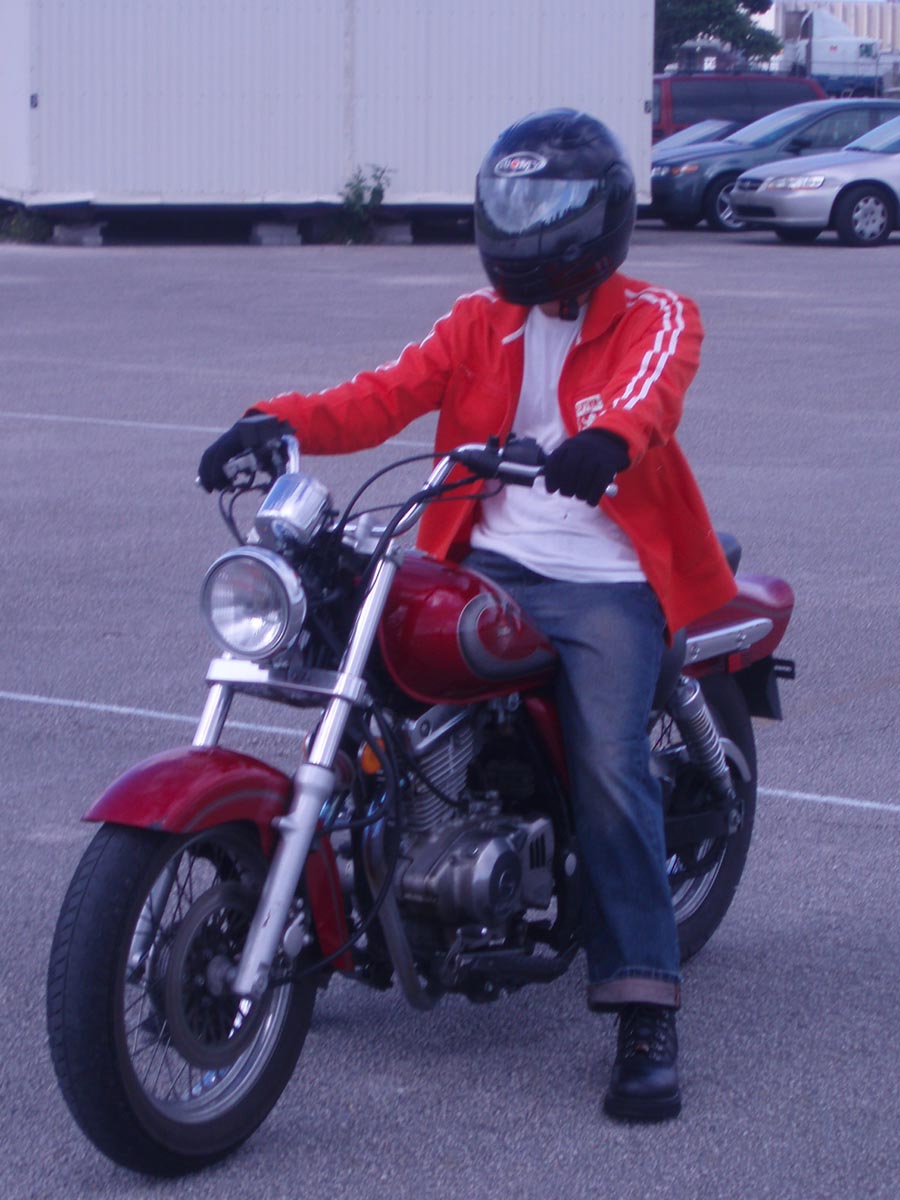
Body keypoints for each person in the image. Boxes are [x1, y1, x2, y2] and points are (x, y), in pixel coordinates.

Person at [199, 108, 737, 1123]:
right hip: (484, 560)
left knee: (612, 772)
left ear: (603, 216)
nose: (530, 226)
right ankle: (366, 894)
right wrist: (275, 421)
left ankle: (644, 1008)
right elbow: (382, 395)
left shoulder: (657, 312)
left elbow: (650, 390)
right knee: (375, 696)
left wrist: (608, 442)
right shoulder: (476, 322)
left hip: (606, 580)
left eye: (553, 207)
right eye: (517, 205)